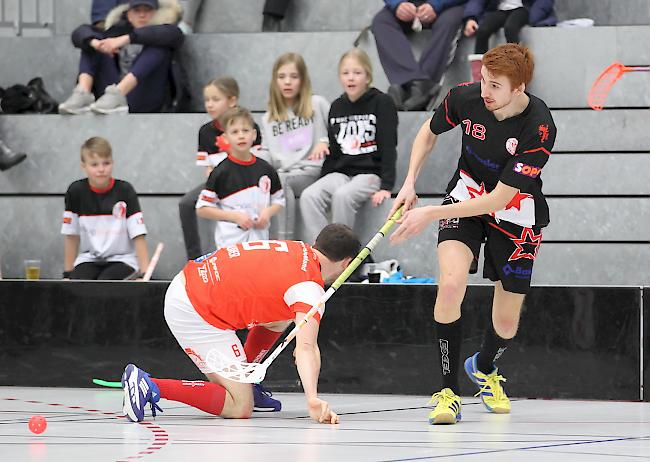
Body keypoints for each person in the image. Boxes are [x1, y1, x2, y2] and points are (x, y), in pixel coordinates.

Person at [388, 43, 556, 425]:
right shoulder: (465, 97)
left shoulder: (539, 127)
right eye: (483, 80)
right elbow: (427, 133)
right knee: (450, 285)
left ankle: (483, 368)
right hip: (465, 196)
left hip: (514, 212)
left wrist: (431, 212)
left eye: (495, 85)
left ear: (519, 87)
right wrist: (410, 182)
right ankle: (447, 392)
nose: (485, 91)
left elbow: (499, 199)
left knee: (507, 322)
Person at [121, 223, 360, 423]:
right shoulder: (308, 289)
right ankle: (149, 385)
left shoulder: (296, 248)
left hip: (190, 282)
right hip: (195, 310)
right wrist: (312, 399)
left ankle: (250, 383)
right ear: (345, 264)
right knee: (239, 407)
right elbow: (306, 348)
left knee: (283, 314)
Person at [300, 48, 397, 244]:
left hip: (370, 174)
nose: (351, 78)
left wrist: (387, 186)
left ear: (368, 76)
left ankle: (343, 256)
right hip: (341, 174)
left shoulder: (382, 102)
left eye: (357, 73)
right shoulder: (336, 106)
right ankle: (321, 254)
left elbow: (389, 145)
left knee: (343, 196)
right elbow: (334, 151)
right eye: (345, 73)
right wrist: (324, 179)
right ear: (339, 77)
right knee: (309, 196)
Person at [178, 76, 262, 260]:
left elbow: (255, 161)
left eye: (216, 100)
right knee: (186, 203)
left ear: (232, 100)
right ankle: (194, 259)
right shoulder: (205, 131)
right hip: (218, 183)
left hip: (245, 184)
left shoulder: (249, 127)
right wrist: (214, 185)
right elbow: (208, 168)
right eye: (207, 100)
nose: (210, 105)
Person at [59, 0, 184, 115]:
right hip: (107, 96)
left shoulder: (168, 32)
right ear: (129, 15)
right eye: (137, 10)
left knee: (159, 46)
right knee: (91, 42)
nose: (142, 15)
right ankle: (83, 93)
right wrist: (96, 44)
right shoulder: (114, 31)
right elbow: (79, 33)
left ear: (156, 13)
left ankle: (118, 93)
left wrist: (124, 39)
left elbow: (175, 35)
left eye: (147, 10)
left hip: (145, 97)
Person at [258, 52, 330, 240]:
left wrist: (324, 141)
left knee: (281, 180)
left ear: (303, 80)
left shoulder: (317, 104)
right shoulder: (268, 118)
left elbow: (338, 129)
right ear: (275, 81)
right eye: (281, 77)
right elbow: (267, 152)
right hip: (283, 172)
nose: (287, 82)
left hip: (312, 171)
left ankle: (285, 242)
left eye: (294, 77)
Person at [61, 136, 150, 280]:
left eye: (106, 163)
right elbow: (71, 235)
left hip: (123, 260)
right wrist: (67, 273)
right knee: (79, 286)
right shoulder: (75, 191)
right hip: (88, 259)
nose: (101, 169)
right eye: (94, 164)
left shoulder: (125, 190)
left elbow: (138, 234)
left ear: (113, 163)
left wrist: (145, 273)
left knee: (104, 285)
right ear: (83, 166)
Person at [195, 107, 285, 249]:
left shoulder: (266, 169)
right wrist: (234, 216)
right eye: (235, 132)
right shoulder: (220, 172)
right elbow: (202, 208)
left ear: (254, 134)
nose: (241, 136)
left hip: (260, 242)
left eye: (245, 130)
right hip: (230, 245)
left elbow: (279, 201)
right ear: (225, 138)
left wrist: (267, 212)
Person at [371, 0, 467, 111]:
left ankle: (423, 87)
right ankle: (407, 83)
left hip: (447, 6)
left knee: (450, 20)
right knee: (381, 21)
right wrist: (397, 4)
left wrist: (436, 5)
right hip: (408, 6)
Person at [463, 0, 556, 81]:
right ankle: (479, 77)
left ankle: (517, 74)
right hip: (500, 10)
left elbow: (544, 2)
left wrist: (535, 16)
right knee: (483, 30)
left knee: (510, 28)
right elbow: (477, 2)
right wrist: (471, 18)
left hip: (524, 8)